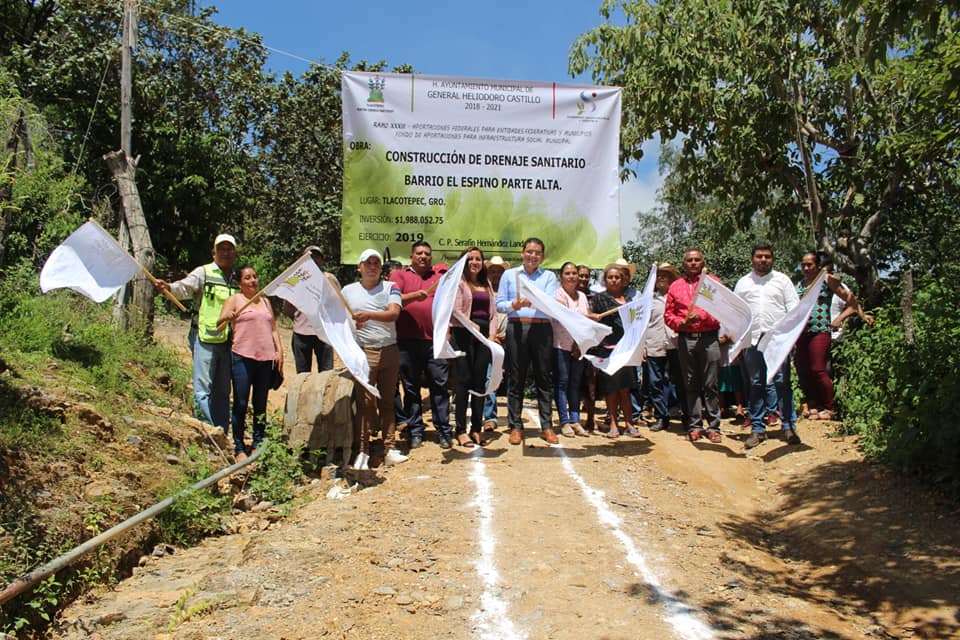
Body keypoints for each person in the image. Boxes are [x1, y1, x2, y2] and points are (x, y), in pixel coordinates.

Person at [154, 233, 239, 432]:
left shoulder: (237, 277)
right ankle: (205, 431)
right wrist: (168, 288)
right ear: (214, 252)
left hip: (229, 341)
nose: (225, 253)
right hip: (204, 338)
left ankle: (221, 432)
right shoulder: (204, 273)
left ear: (235, 253)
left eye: (229, 249)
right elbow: (185, 288)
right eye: (221, 249)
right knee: (202, 388)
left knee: (223, 390)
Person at [342, 249, 408, 469]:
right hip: (363, 353)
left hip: (389, 350)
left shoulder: (392, 287)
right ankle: (363, 449)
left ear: (381, 268)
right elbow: (341, 319)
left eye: (376, 263)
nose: (372, 266)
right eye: (367, 263)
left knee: (388, 402)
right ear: (359, 267)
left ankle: (389, 447)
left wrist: (369, 316)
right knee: (364, 404)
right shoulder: (347, 291)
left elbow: (394, 314)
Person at [734, 243, 801, 448]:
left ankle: (788, 427)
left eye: (767, 257)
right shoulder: (743, 283)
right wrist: (736, 343)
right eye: (759, 256)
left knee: (782, 383)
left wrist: (792, 338)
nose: (763, 260)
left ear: (773, 259)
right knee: (755, 384)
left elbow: (794, 309)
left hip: (778, 340)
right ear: (752, 259)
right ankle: (757, 429)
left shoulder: (783, 281)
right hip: (752, 341)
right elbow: (736, 313)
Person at [389, 240, 452, 449]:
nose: (423, 256)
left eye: (427, 253)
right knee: (411, 386)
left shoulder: (439, 278)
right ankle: (415, 430)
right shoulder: (399, 276)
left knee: (440, 386)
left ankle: (443, 430)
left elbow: (447, 306)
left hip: (435, 341)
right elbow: (393, 301)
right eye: (419, 253)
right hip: (406, 341)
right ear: (411, 256)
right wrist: (416, 295)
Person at [495, 237, 559, 445]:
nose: (533, 256)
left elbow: (549, 302)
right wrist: (513, 304)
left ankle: (547, 426)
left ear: (542, 256)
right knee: (516, 378)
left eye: (538, 253)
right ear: (522, 253)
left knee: (543, 377)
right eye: (530, 252)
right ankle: (515, 426)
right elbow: (499, 304)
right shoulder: (509, 275)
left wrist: (534, 299)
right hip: (517, 326)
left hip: (541, 328)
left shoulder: (549, 276)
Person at [217, 266, 282, 461]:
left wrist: (279, 351)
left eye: (254, 276)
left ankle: (258, 442)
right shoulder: (234, 300)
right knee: (241, 402)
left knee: (260, 402)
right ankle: (238, 447)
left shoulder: (265, 302)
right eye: (247, 278)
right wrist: (226, 317)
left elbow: (273, 329)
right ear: (240, 283)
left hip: (265, 359)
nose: (253, 280)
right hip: (242, 357)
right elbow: (219, 326)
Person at [664, 248, 724, 443]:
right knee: (690, 383)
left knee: (710, 383)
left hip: (709, 338)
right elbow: (668, 314)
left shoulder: (713, 282)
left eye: (697, 260)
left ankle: (714, 426)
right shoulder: (675, 286)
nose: (693, 263)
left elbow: (722, 310)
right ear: (684, 263)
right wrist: (680, 323)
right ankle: (695, 425)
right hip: (686, 338)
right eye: (689, 260)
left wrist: (703, 316)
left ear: (702, 262)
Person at [795, 252, 856, 422]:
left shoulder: (827, 280)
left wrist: (839, 319)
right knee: (803, 369)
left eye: (810, 265)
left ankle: (830, 407)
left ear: (818, 266)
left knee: (818, 369)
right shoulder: (800, 284)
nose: (806, 268)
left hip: (820, 330)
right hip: (801, 333)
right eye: (803, 265)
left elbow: (852, 302)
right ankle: (814, 404)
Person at [450, 247, 497, 447]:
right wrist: (470, 324)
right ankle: (460, 430)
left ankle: (476, 429)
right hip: (463, 335)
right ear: (463, 262)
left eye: (478, 259)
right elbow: (455, 309)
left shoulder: (485, 283)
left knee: (479, 385)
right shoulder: (459, 282)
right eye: (470, 259)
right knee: (463, 383)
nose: (474, 262)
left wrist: (492, 334)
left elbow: (493, 313)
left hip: (484, 338)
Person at [588, 263, 641, 439]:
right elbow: (591, 324)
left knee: (625, 389)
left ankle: (629, 424)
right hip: (607, 350)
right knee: (611, 389)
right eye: (610, 277)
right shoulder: (598, 300)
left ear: (623, 280)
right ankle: (612, 424)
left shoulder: (630, 301)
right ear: (605, 280)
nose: (614, 280)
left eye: (617, 277)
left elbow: (636, 325)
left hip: (626, 350)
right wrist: (593, 317)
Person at [282, 246, 334, 374]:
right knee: (302, 375)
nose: (313, 260)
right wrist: (300, 320)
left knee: (326, 374)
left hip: (324, 333)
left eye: (316, 256)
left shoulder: (330, 279)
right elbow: (287, 308)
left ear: (322, 260)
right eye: (309, 257)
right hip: (301, 333)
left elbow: (337, 305)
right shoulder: (293, 280)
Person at [553, 262, 590, 437]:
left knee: (575, 384)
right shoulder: (558, 294)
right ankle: (564, 421)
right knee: (562, 383)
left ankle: (575, 420)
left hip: (579, 346)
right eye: (567, 273)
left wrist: (579, 343)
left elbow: (585, 321)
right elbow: (566, 319)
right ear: (561, 276)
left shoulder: (582, 296)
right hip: (561, 344)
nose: (572, 276)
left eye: (574, 273)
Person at [644, 263, 681, 432]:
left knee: (678, 381)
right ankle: (661, 416)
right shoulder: (649, 300)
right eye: (658, 275)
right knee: (655, 382)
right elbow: (642, 325)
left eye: (664, 275)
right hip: (654, 344)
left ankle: (682, 413)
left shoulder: (678, 298)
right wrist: (643, 346)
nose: (661, 278)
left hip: (675, 345)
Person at [481, 255, 509, 430]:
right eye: (493, 271)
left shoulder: (509, 292)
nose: (496, 274)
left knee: (512, 379)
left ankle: (514, 419)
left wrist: (506, 334)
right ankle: (490, 416)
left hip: (509, 340)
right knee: (488, 377)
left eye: (500, 271)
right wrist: (492, 336)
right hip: (488, 340)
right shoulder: (483, 291)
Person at [577, 265, 599, 431]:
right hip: (571, 344)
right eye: (581, 275)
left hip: (592, 346)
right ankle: (574, 419)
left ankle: (591, 419)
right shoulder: (565, 295)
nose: (583, 279)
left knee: (591, 383)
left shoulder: (595, 297)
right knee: (573, 383)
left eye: (586, 276)